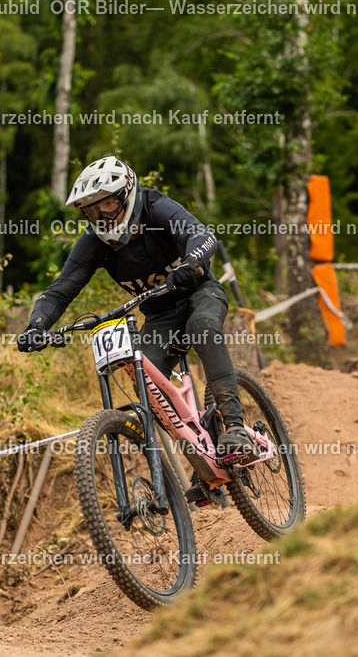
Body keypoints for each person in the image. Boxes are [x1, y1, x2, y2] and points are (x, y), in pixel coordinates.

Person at [18, 156, 254, 498]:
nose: (102, 216)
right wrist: (36, 325)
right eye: (92, 211)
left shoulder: (156, 208)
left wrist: (190, 264)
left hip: (199, 291)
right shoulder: (94, 242)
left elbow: (203, 236)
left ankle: (235, 428)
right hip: (160, 316)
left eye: (109, 204)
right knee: (145, 379)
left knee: (202, 326)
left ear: (127, 195)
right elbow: (60, 289)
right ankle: (204, 460)